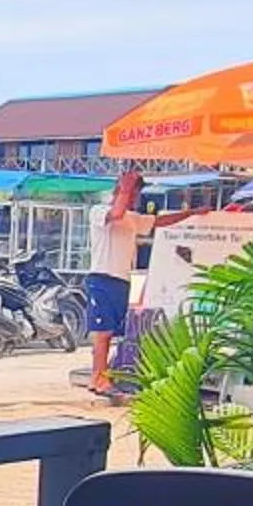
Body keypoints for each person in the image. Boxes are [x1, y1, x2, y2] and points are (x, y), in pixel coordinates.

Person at [85, 169, 154, 400]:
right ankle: (99, 379)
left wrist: (194, 213)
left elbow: (158, 222)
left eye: (135, 195)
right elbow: (115, 213)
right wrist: (126, 185)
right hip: (102, 278)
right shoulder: (99, 211)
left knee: (115, 332)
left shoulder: (133, 219)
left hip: (123, 280)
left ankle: (104, 375)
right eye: (131, 193)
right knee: (102, 332)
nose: (133, 199)